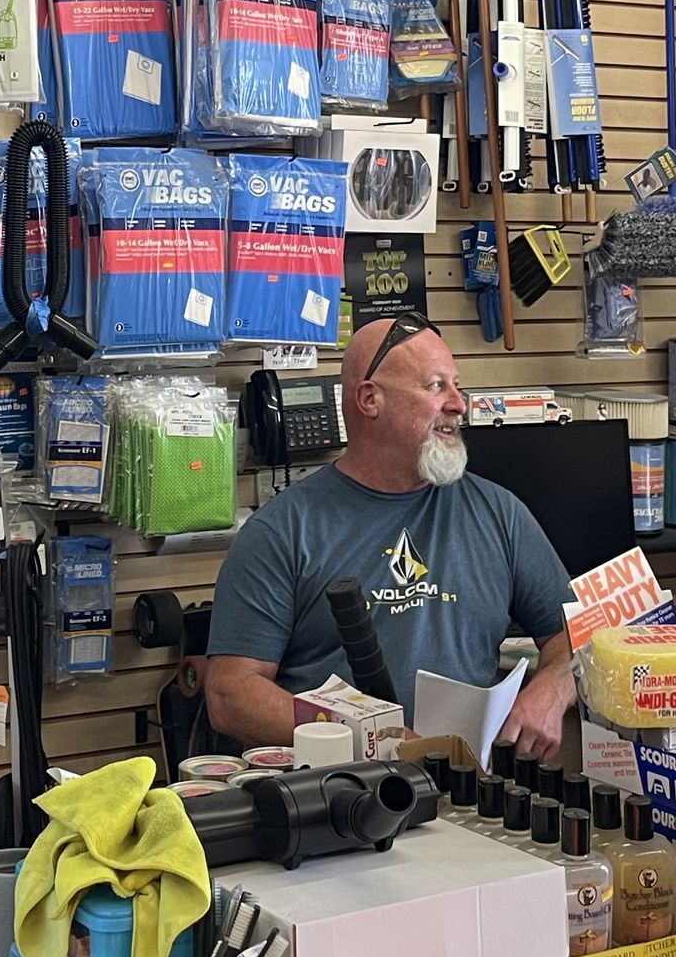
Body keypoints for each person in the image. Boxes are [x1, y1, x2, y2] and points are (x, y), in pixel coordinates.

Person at [203, 313, 576, 758]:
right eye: (436, 386)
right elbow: (231, 696)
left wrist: (553, 688)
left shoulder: (498, 512)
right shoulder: (282, 532)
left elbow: (576, 634)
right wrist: (368, 740)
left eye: (456, 385)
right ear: (369, 398)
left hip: (470, 790)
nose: (458, 403)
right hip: (341, 797)